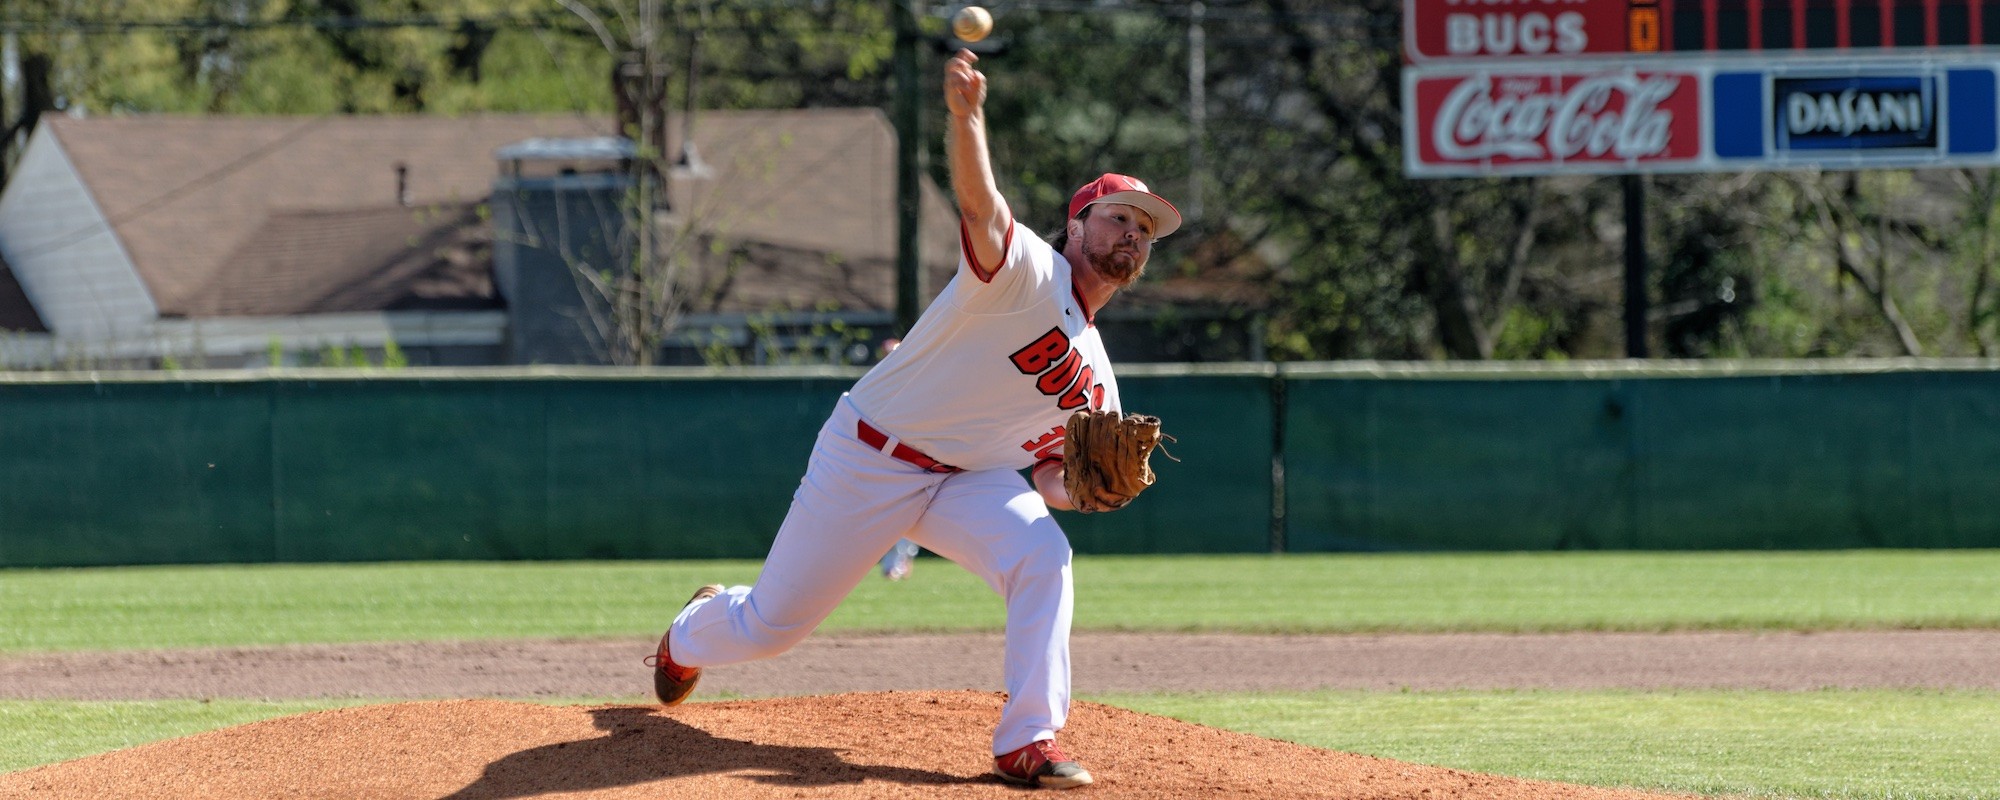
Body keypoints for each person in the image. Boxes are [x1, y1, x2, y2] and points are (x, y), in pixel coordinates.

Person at [645, 48, 1181, 790]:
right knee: (771, 629)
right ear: (1077, 224)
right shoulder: (1026, 270)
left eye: (1145, 231)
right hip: (871, 454)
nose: (1132, 234)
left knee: (1044, 558)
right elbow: (978, 202)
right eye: (1119, 218)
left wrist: (1088, 493)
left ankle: (1028, 740)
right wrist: (967, 119)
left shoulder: (1099, 385)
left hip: (967, 479)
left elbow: (1054, 476)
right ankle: (688, 633)